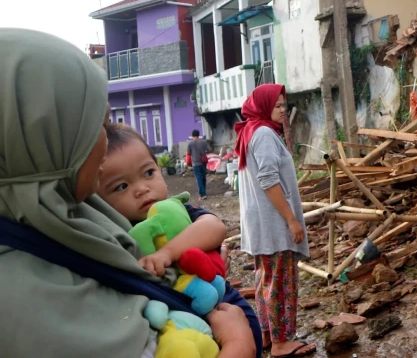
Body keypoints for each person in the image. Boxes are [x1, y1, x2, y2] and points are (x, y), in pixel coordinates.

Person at [0, 28, 258, 358]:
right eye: (94, 124)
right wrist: (239, 345)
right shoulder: (23, 304)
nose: (105, 141)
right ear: (41, 142)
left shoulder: (76, 213)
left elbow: (210, 229)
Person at [235, 84, 315, 358]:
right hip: (273, 222)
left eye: (284, 105)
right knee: (280, 281)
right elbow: (268, 180)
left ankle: (268, 335)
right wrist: (292, 220)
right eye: (278, 105)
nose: (283, 110)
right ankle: (282, 342)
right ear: (264, 106)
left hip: (260, 224)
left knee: (265, 280)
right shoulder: (265, 134)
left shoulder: (251, 131)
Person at [98, 122, 226, 278]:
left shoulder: (175, 211)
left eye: (148, 173)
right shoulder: (117, 235)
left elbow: (215, 226)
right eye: (121, 186)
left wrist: (167, 253)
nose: (142, 189)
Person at [187, 129, 212, 200]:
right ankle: (204, 192)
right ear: (198, 135)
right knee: (203, 178)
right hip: (203, 163)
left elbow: (188, 153)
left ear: (192, 136)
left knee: (198, 179)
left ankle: (202, 194)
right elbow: (209, 149)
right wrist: (204, 152)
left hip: (195, 163)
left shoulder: (190, 144)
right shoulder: (203, 142)